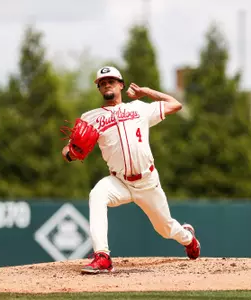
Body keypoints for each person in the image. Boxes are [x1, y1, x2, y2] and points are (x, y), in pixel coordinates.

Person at [62, 66, 201, 274]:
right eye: (102, 82)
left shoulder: (139, 108)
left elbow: (176, 104)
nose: (106, 84)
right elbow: (66, 150)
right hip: (119, 182)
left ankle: (188, 238)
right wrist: (71, 152)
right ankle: (102, 256)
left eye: (111, 81)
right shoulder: (90, 117)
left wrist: (146, 92)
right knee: (97, 194)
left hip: (146, 181)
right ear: (99, 89)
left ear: (121, 85)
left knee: (165, 228)